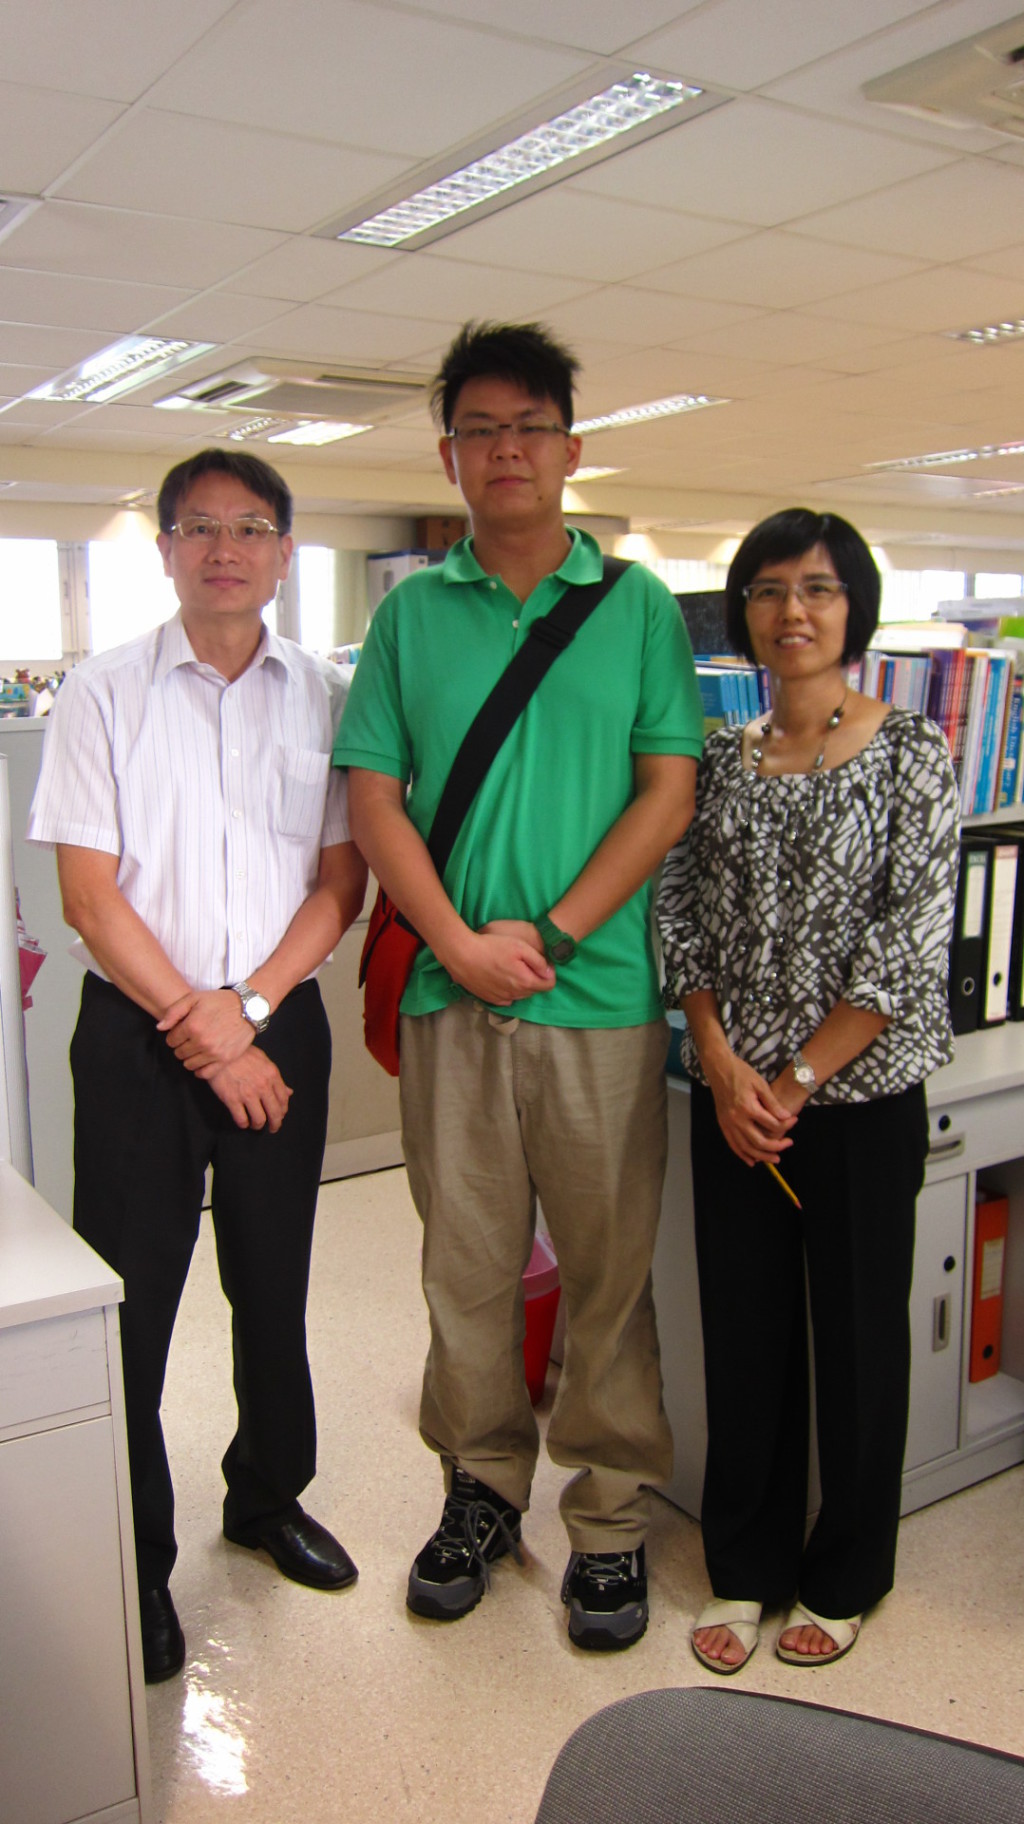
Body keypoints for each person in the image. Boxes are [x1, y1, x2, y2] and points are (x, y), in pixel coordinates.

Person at [335, 321, 703, 1651]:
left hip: (598, 1002)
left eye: (528, 428)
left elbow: (667, 791)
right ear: (450, 455)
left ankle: (607, 1522)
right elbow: (375, 799)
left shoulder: (638, 606)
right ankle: (482, 1490)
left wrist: (544, 932)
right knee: (468, 1267)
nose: (506, 450)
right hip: (453, 1003)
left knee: (606, 1275)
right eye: (480, 431)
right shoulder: (408, 616)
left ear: (569, 447)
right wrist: (458, 943)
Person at [28, 448, 368, 1683]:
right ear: (166, 550)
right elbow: (88, 897)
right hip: (138, 1035)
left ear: (284, 553)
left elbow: (340, 884)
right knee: (135, 1303)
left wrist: (252, 1008)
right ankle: (137, 1561)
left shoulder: (327, 697)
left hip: (278, 1022)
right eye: (201, 527)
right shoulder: (102, 692)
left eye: (252, 527)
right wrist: (201, 1026)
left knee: (273, 1286)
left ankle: (268, 1497)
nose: (227, 548)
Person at [656, 507, 960, 1672]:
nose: (792, 610)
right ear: (743, 611)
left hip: (856, 1106)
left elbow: (906, 942)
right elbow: (678, 911)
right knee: (744, 1339)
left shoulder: (910, 752)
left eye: (819, 588)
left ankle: (846, 1574)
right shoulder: (718, 759)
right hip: (732, 1104)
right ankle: (744, 1566)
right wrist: (716, 1058)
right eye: (770, 588)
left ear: (854, 610)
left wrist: (789, 1081)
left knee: (858, 1343)